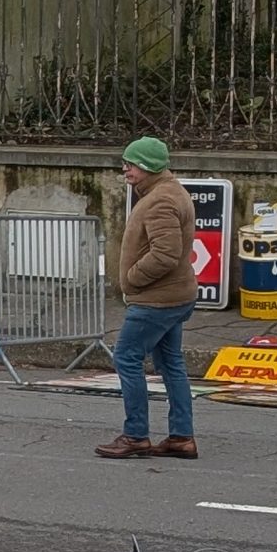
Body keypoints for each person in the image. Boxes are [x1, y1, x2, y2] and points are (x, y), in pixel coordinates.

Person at [100, 136, 199, 460]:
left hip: (157, 300)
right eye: (125, 163)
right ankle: (181, 437)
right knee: (171, 363)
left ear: (149, 166)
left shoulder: (160, 200)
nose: (125, 169)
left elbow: (165, 254)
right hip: (174, 296)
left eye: (131, 164)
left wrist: (131, 279)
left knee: (126, 357)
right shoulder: (168, 192)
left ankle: (136, 435)